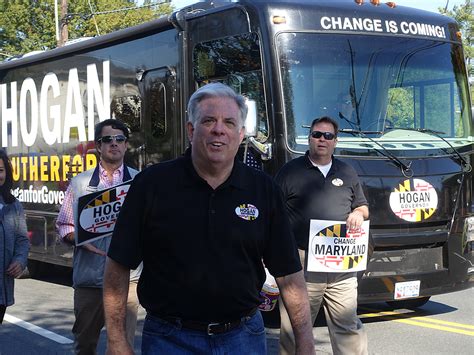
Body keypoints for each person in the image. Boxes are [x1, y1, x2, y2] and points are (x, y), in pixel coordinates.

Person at [103, 82, 315, 354]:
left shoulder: (264, 190)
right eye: (208, 120)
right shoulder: (152, 185)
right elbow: (117, 267)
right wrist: (116, 340)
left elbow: (289, 275)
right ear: (191, 130)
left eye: (229, 122)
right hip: (169, 339)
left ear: (240, 135)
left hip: (243, 338)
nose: (219, 129)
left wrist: (306, 343)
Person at [277, 116, 369, 355]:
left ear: (335, 141)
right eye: (317, 134)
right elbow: (272, 213)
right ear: (309, 139)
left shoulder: (347, 172)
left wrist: (359, 213)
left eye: (328, 136)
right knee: (296, 329)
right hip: (303, 264)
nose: (322, 140)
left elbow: (363, 206)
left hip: (342, 264)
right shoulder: (290, 171)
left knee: (348, 327)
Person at [56, 119, 141, 354]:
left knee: (124, 346)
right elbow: (64, 225)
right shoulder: (80, 183)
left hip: (128, 280)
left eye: (120, 139)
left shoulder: (139, 182)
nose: (114, 144)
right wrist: (81, 240)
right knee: (84, 345)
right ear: (98, 146)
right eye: (107, 140)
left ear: (126, 145)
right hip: (89, 280)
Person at [0, 149, 29, 324]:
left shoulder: (13, 204)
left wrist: (20, 260)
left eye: (0, 170)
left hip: (2, 290)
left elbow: (22, 239)